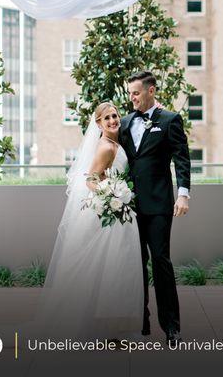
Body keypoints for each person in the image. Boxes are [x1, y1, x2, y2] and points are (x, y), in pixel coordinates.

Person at [36, 102, 143, 340]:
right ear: (98, 124)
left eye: (115, 115)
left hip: (120, 214)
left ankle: (111, 329)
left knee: (115, 271)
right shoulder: (105, 147)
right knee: (111, 270)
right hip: (113, 214)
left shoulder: (115, 143)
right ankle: (105, 330)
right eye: (107, 118)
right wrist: (111, 193)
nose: (114, 120)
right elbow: (90, 180)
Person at [119, 71, 191, 345]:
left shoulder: (170, 120)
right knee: (135, 265)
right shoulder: (125, 123)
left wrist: (183, 195)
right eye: (130, 93)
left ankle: (171, 326)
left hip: (160, 205)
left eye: (136, 93)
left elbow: (182, 159)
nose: (132, 98)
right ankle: (141, 322)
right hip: (127, 206)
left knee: (161, 263)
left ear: (151, 91)